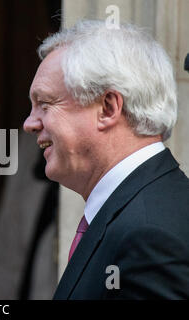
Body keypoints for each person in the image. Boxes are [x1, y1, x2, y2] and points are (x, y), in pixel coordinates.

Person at [23, 20, 189, 299]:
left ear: (108, 108)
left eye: (45, 104)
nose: (30, 123)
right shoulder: (139, 209)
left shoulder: (149, 234)